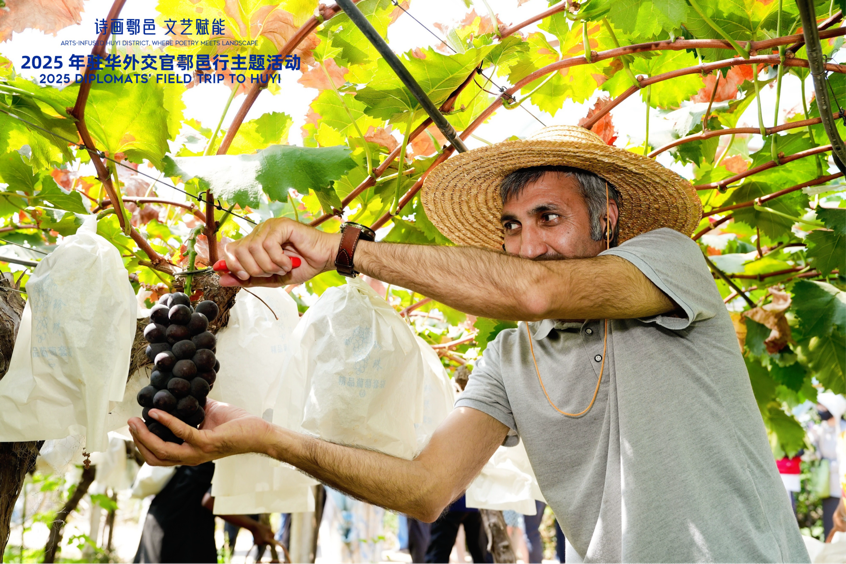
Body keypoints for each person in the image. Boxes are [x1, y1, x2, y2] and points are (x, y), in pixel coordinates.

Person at [128, 126, 809, 563]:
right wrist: (266, 438)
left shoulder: (666, 261)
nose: (528, 244)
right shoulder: (512, 361)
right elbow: (426, 489)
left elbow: (535, 291)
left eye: (549, 217)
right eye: (512, 226)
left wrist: (343, 249)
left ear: (607, 219)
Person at [133, 462, 276, 563]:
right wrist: (254, 526)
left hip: (166, 517)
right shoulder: (231, 454)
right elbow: (209, 501)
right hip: (180, 528)